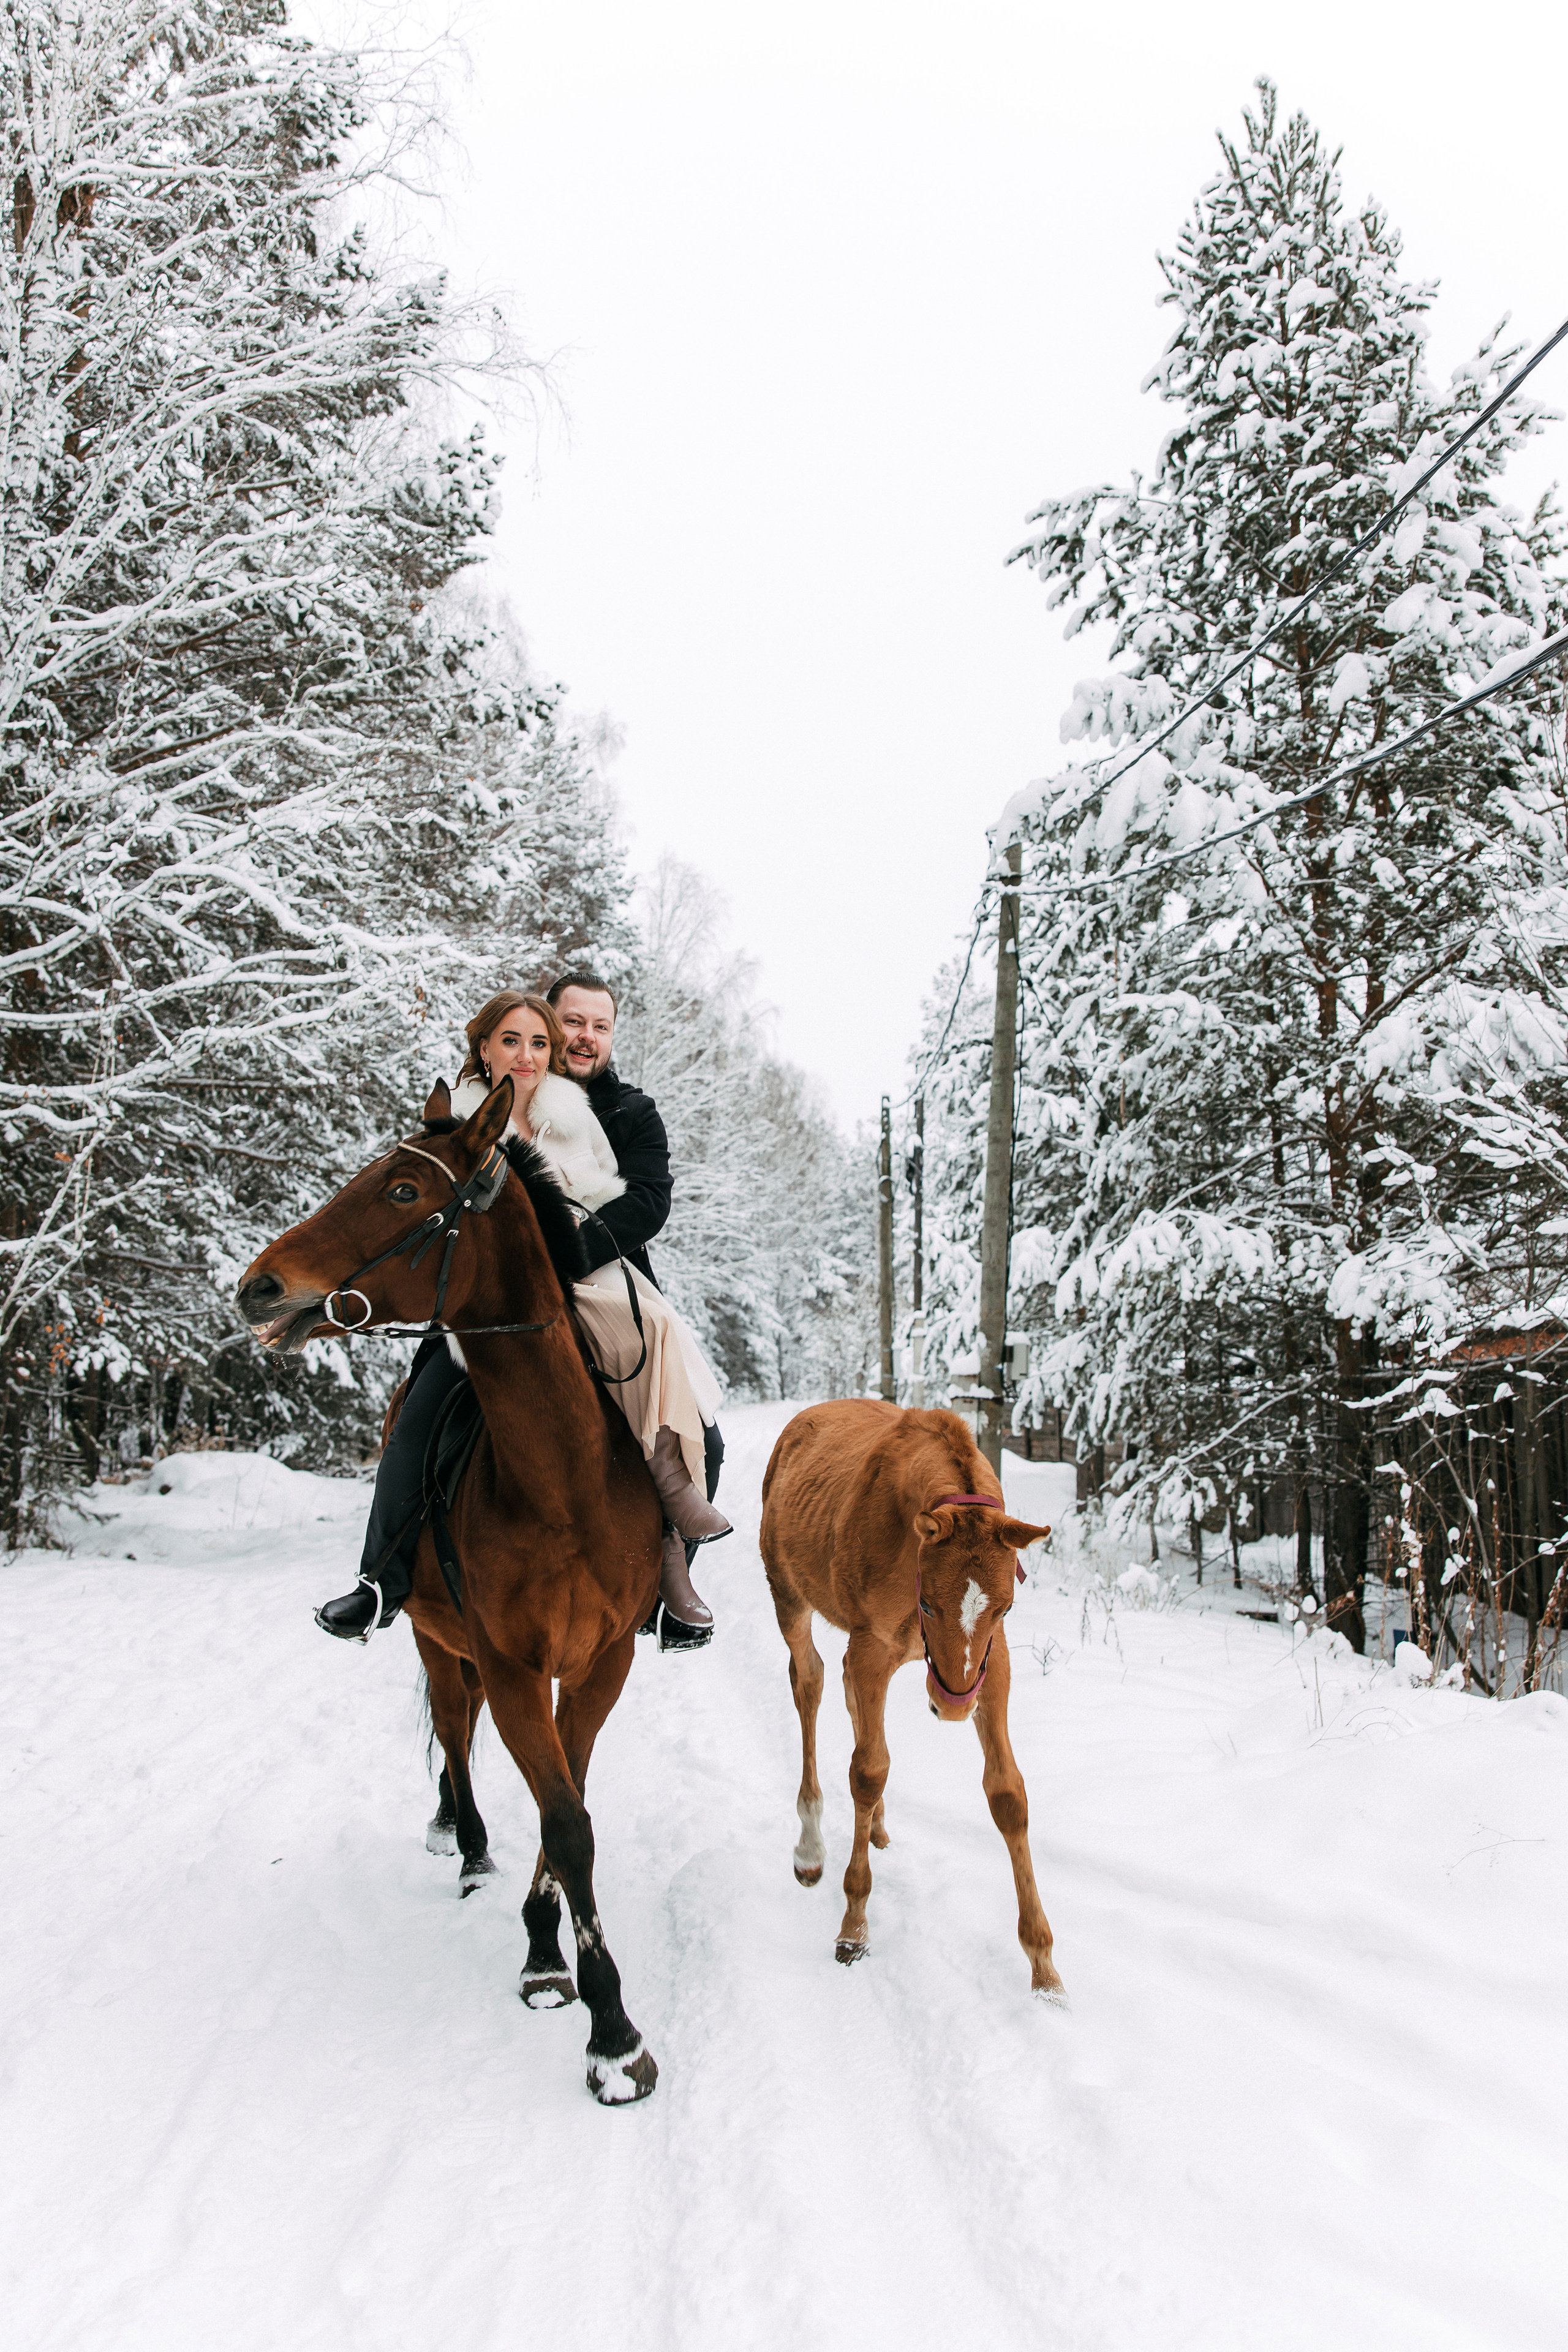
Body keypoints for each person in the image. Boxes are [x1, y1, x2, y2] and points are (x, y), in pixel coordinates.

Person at [315, 989, 728, 1646]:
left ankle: (663, 1576)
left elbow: (632, 1200)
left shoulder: (610, 1112)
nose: (567, 1041)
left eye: (596, 1027)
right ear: (490, 1044)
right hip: (486, 1301)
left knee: (695, 1425)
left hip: (597, 1277)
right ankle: (381, 1580)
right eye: (565, 1026)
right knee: (420, 1414)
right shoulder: (466, 1117)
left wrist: (567, 1253)